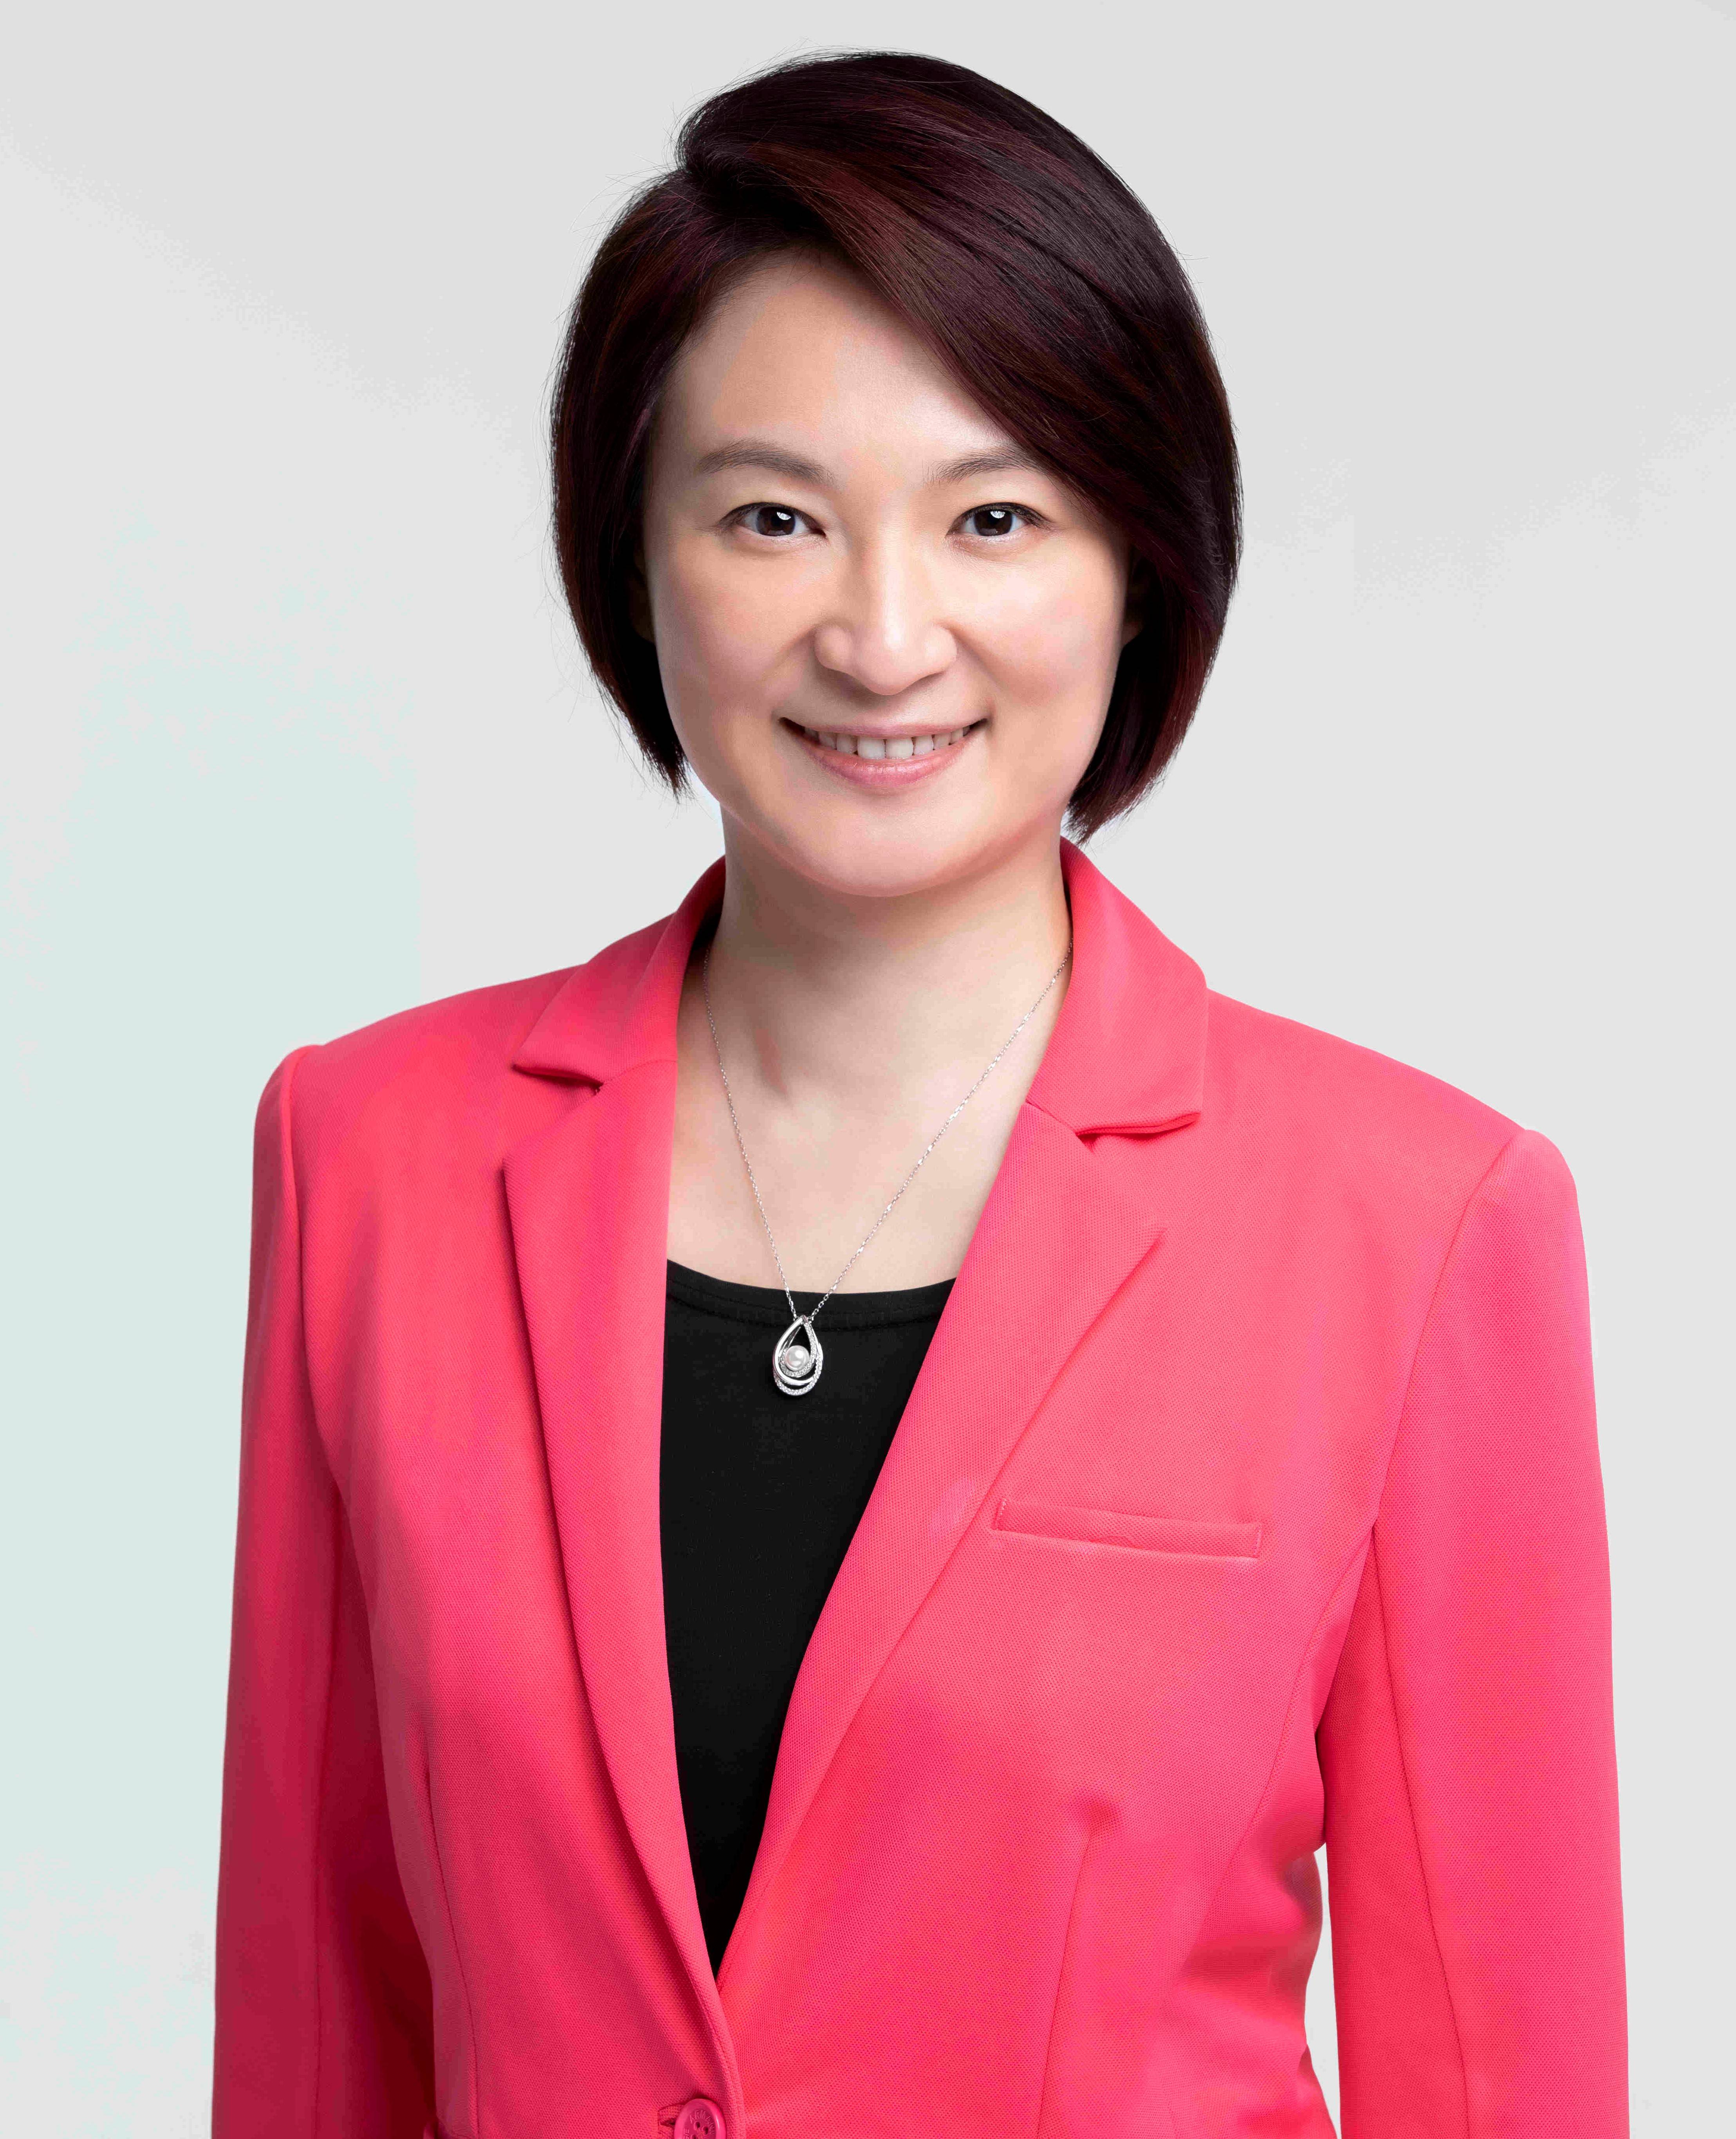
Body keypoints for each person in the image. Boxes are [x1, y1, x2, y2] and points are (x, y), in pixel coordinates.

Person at [212, 50, 1626, 2139]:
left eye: (993, 517)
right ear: (633, 555)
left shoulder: (1416, 1224)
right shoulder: (366, 1158)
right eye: (772, 517)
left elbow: (1504, 2082)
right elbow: (315, 2020)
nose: (883, 637)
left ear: (1135, 568)